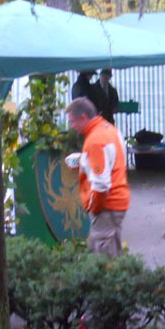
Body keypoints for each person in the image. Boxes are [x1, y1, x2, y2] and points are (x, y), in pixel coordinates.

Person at [65, 97, 130, 257]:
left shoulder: (95, 141)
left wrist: (94, 208)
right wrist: (83, 161)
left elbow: (101, 185)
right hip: (118, 201)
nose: (72, 126)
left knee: (103, 258)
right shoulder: (109, 129)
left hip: (106, 206)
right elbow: (113, 161)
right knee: (110, 251)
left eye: (72, 122)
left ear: (83, 118)